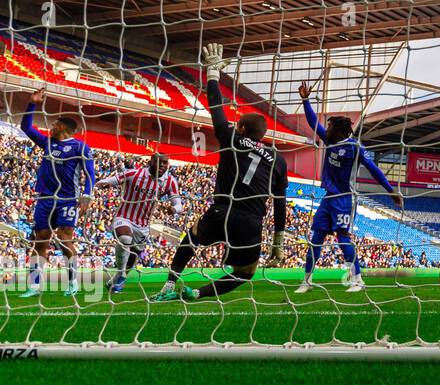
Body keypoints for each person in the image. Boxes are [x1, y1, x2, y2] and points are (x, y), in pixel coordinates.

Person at [153, 43, 287, 301]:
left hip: (221, 211)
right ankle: (197, 293)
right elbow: (279, 202)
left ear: (242, 129)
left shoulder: (232, 138)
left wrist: (212, 73)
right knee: (245, 273)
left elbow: (216, 109)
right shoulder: (279, 160)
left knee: (190, 239)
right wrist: (278, 238)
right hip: (250, 221)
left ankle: (170, 284)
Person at [294, 81, 403, 293]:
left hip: (345, 199)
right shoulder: (329, 139)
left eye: (331, 127)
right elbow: (313, 121)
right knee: (316, 238)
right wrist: (306, 100)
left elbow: (374, 169)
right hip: (328, 198)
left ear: (340, 131)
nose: (327, 129)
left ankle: (358, 280)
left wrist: (390, 191)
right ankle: (306, 281)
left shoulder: (355, 148)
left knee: (342, 238)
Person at [19, 88, 95, 297]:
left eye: (53, 124)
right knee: (40, 239)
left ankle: (73, 282)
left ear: (61, 127)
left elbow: (90, 173)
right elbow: (25, 127)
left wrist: (87, 195)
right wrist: (32, 103)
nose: (50, 127)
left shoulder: (80, 147)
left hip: (67, 200)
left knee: (64, 239)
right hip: (45, 198)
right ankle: (34, 285)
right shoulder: (47, 143)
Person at [95, 153, 182, 293]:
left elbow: (179, 205)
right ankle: (121, 274)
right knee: (125, 238)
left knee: (132, 257)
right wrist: (103, 183)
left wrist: (173, 209)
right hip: (124, 217)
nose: (163, 166)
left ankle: (117, 279)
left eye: (166, 163)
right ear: (151, 162)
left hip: (143, 225)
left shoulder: (170, 181)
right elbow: (114, 179)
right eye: (160, 162)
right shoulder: (135, 174)